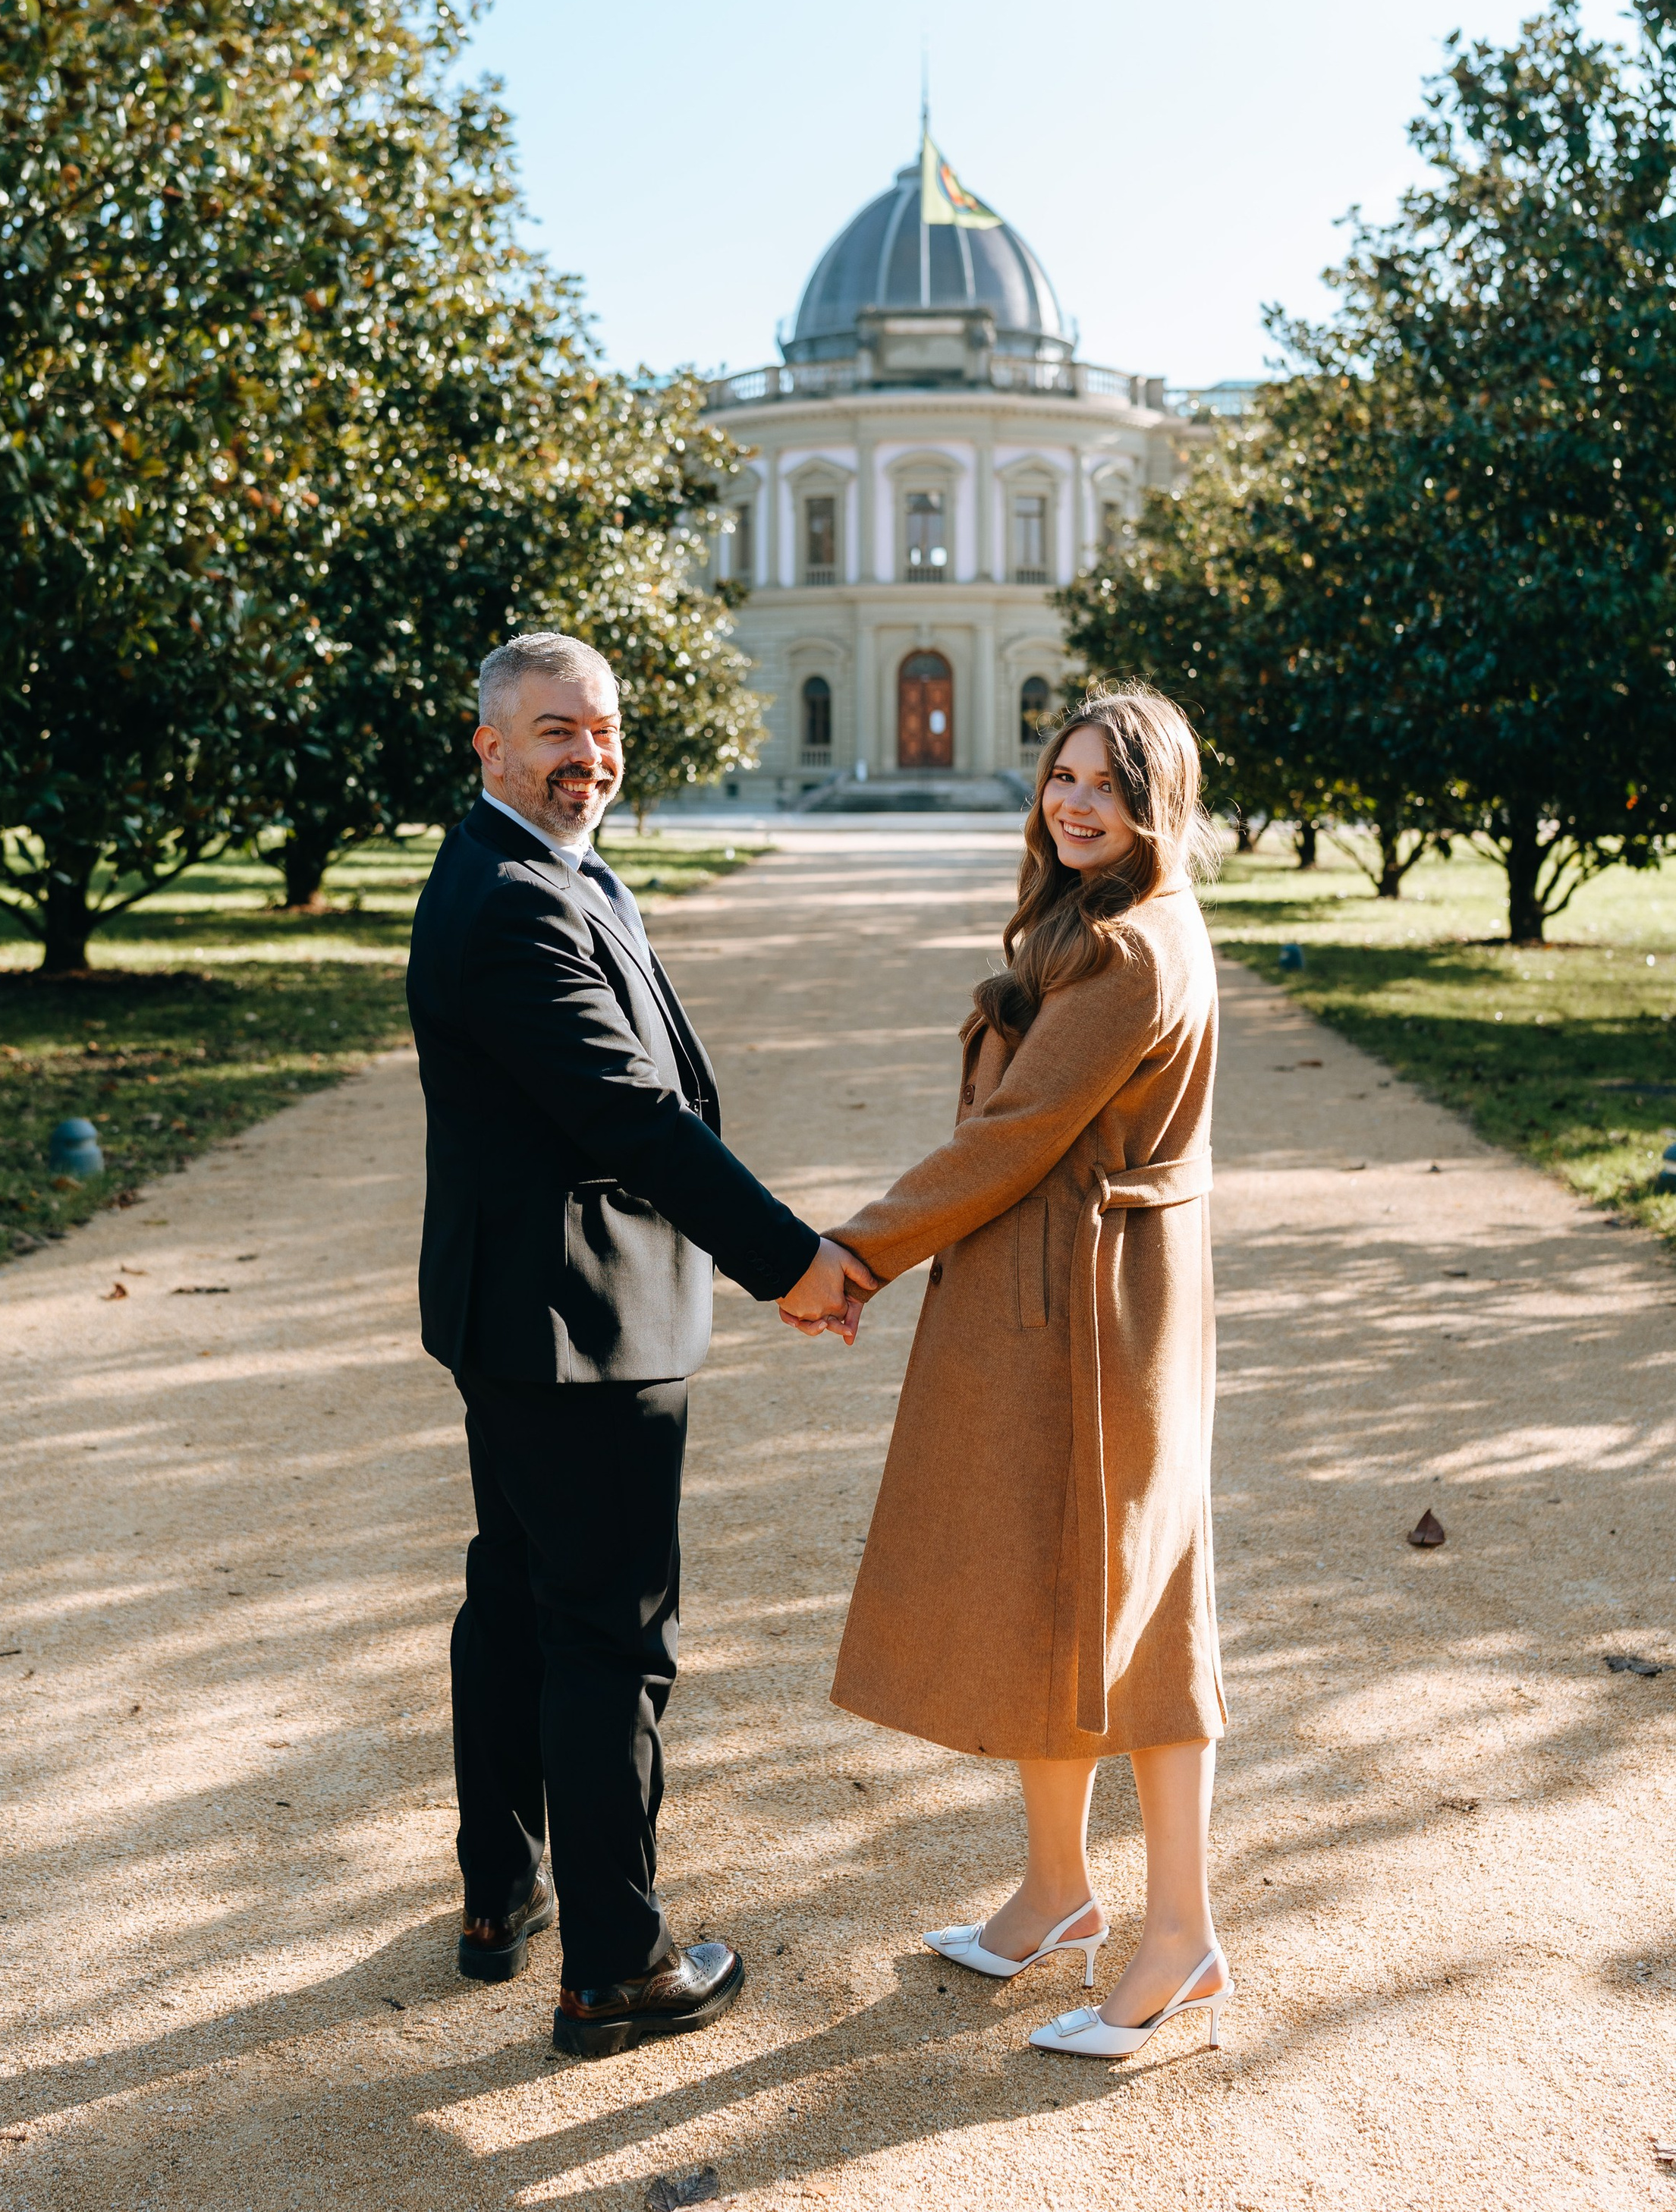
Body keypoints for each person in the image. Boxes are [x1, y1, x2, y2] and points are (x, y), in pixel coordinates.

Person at [408, 628, 876, 2062]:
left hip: (524, 1310)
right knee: (608, 1636)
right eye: (556, 729)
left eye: (603, 728)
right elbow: (631, 1116)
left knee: (515, 1596)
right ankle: (616, 1966)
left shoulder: (544, 867)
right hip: (579, 1322)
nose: (589, 752)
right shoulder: (512, 900)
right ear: (489, 745)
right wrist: (791, 1259)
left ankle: (503, 1891)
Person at [801, 688, 1234, 2061]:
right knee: (1052, 1590)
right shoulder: (1094, 923)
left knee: (1138, 1611)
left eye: (1108, 783)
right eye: (1063, 776)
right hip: (1049, 1291)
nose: (1076, 802)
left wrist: (853, 1253)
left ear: (1158, 802)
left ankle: (1182, 1933)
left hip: (1094, 1305)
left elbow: (1017, 1132)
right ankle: (1058, 1890)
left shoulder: (1133, 950)